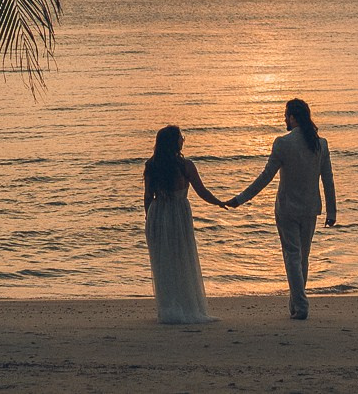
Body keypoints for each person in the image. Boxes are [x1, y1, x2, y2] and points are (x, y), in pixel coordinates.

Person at [225, 97, 337, 319]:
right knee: (302, 257)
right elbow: (328, 179)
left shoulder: (283, 143)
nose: (284, 119)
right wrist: (332, 211)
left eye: (286, 115)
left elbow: (266, 176)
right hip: (310, 208)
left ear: (293, 117)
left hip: (287, 208)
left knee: (293, 257)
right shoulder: (320, 144)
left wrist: (241, 199)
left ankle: (301, 305)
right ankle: (297, 304)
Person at [142, 124, 225, 324]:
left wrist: (149, 220)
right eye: (180, 137)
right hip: (178, 214)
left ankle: (168, 306)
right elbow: (202, 191)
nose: (183, 140)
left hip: (158, 212)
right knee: (182, 258)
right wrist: (220, 202)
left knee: (164, 262)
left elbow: (147, 197)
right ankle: (185, 305)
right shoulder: (185, 166)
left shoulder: (151, 165)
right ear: (174, 142)